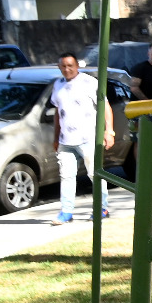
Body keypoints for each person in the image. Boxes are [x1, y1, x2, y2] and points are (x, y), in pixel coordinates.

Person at [49, 53, 114, 225]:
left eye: (70, 65)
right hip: (65, 140)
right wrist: (56, 137)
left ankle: (102, 207)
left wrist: (109, 131)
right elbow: (57, 112)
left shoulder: (89, 82)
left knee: (95, 174)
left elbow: (105, 106)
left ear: (77, 65)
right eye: (63, 66)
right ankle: (66, 211)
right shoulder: (58, 85)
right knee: (66, 176)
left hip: (87, 138)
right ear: (59, 67)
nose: (67, 69)